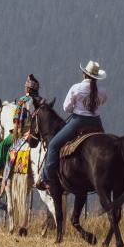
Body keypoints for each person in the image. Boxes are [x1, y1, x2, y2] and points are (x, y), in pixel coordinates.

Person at [38, 60, 107, 190]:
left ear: (84, 74)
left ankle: (47, 178)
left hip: (78, 122)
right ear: (96, 77)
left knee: (53, 145)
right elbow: (102, 102)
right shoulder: (102, 91)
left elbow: (66, 108)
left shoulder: (76, 88)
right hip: (96, 122)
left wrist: (77, 108)